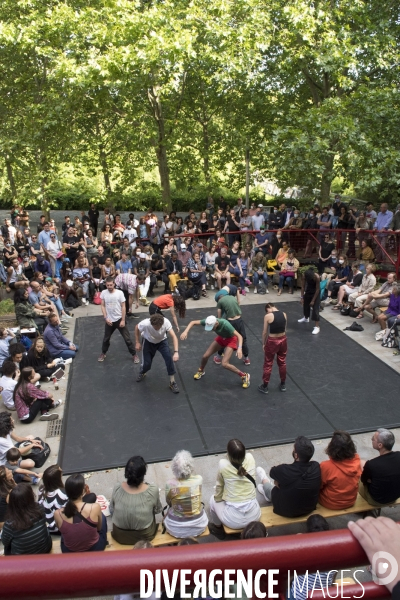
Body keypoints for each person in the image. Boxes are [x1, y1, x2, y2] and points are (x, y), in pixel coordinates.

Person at [208, 439, 261, 539]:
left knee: (212, 501)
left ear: (228, 454)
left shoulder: (223, 464)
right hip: (254, 516)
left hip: (233, 520)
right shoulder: (250, 457)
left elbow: (219, 488)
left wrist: (220, 500)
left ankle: (217, 528)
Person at [257, 436, 321, 518]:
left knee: (271, 487)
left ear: (296, 455)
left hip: (286, 510)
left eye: (294, 449)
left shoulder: (284, 470)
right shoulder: (316, 467)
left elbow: (272, 472)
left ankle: (264, 481)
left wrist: (279, 484)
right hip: (308, 508)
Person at [180, 316, 250, 389]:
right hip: (221, 338)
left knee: (224, 364)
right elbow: (193, 322)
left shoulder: (225, 324)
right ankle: (201, 370)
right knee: (205, 356)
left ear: (216, 323)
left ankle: (244, 376)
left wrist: (239, 348)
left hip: (231, 339)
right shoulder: (208, 321)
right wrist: (185, 331)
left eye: (212, 327)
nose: (211, 329)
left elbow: (239, 336)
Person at [110, 455, 162, 544]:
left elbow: (111, 509)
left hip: (119, 536)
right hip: (144, 536)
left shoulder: (117, 488)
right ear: (143, 474)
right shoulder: (152, 490)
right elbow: (157, 510)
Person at [54, 473, 107, 553]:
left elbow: (62, 531)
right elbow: (99, 529)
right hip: (95, 549)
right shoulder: (95, 507)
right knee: (102, 517)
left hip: (69, 551)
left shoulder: (57, 514)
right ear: (83, 491)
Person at [38, 464, 96, 534]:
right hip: (61, 526)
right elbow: (74, 505)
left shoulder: (41, 489)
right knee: (92, 497)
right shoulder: (63, 493)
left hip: (49, 526)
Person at [289, 515, 336, 600]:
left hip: (298, 597)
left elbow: (297, 537)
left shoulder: (302, 549)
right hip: (322, 596)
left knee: (287, 585)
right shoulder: (335, 553)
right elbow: (332, 581)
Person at [163, 450, 208, 538]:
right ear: (190, 466)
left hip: (176, 529)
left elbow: (169, 502)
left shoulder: (170, 484)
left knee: (167, 514)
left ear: (174, 468)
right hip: (199, 526)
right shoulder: (199, 479)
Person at [2, 483, 52, 555]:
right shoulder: (40, 508)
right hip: (45, 549)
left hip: (24, 558)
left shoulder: (10, 523)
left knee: (7, 548)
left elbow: (5, 541)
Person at [135, 314, 180, 394]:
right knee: (147, 364)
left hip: (162, 342)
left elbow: (174, 336)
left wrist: (176, 352)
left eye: (159, 327)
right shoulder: (146, 323)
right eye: (155, 328)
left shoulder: (166, 322)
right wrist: (137, 342)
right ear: (151, 324)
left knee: (169, 359)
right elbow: (136, 327)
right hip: (148, 342)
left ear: (162, 324)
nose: (157, 329)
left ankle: (172, 382)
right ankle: (142, 372)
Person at [98, 276, 139, 363]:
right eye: (108, 285)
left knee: (127, 339)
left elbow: (123, 306)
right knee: (106, 338)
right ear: (105, 284)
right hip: (109, 320)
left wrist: (123, 320)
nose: (109, 287)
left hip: (119, 319)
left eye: (111, 285)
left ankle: (134, 354)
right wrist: (106, 318)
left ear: (114, 284)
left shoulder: (119, 293)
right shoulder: (104, 293)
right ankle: (103, 353)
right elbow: (102, 305)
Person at [319, 431, 362, 510]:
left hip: (330, 503)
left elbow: (319, 486)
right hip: (350, 501)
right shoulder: (356, 460)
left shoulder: (326, 466)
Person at [359, 428, 400, 507]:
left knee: (358, 479)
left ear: (380, 445)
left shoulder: (372, 464)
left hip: (377, 500)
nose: (371, 439)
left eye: (373, 439)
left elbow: (364, 480)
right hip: (395, 496)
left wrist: (370, 480)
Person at [215, 291, 250, 366]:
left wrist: (219, 323)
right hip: (239, 320)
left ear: (219, 298)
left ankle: (218, 357)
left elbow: (219, 317)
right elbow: (238, 302)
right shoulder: (232, 297)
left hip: (230, 322)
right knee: (243, 338)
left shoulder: (220, 301)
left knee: (224, 338)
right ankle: (247, 358)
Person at [258, 303, 287, 394]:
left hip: (272, 341)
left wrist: (263, 343)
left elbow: (264, 332)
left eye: (267, 311)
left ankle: (265, 386)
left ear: (269, 308)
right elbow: (284, 329)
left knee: (268, 363)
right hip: (283, 340)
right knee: (282, 362)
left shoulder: (268, 316)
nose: (267, 312)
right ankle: (283, 384)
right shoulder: (284, 314)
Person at [299, 268, 321, 334]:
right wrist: (302, 297)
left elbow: (317, 289)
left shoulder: (316, 277)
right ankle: (306, 318)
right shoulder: (304, 276)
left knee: (315, 309)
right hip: (309, 290)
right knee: (305, 305)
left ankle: (317, 327)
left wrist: (313, 301)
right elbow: (303, 287)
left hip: (316, 292)